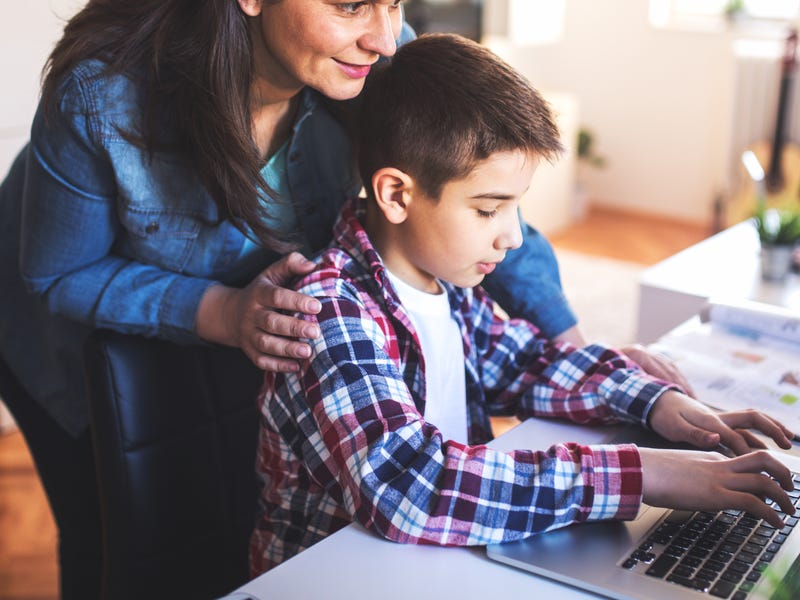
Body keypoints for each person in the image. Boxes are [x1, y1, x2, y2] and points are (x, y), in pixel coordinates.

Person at [0, 1, 684, 596]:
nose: (388, 38)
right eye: (351, 3)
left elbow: (475, 191)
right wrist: (223, 312)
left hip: (270, 322)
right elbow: (61, 275)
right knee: (114, 535)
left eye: (394, 2)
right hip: (69, 331)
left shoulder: (376, 49)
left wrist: (573, 350)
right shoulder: (103, 95)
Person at [249, 33, 796, 575]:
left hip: (442, 558)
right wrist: (647, 473)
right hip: (337, 577)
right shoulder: (327, 312)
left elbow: (528, 362)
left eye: (517, 207)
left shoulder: (447, 286)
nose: (512, 237)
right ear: (396, 195)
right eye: (489, 209)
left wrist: (660, 405)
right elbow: (413, 488)